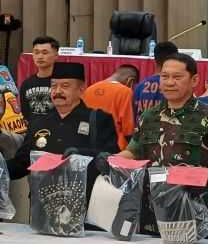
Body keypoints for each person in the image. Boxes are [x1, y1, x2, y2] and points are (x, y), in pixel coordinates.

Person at [117, 53, 208, 235]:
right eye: (164, 76)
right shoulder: (149, 116)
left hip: (193, 209)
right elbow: (133, 152)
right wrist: (109, 161)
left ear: (194, 80)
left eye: (177, 77)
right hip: (150, 211)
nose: (169, 82)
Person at [7, 62, 119, 205]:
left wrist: (79, 153)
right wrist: (2, 167)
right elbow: (22, 163)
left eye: (65, 86)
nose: (58, 91)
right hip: (43, 206)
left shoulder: (98, 119)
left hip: (85, 204)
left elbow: (111, 158)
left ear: (81, 89)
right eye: (53, 86)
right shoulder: (38, 121)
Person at [83, 65, 139, 151]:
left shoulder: (89, 89)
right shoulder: (125, 92)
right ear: (130, 81)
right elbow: (128, 126)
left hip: (87, 142)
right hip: (114, 145)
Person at [132, 41, 178, 122]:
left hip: (142, 132)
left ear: (155, 59)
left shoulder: (140, 86)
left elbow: (133, 115)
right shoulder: (175, 87)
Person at [19, 36, 60, 121]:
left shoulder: (63, 83)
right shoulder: (27, 84)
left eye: (45, 53)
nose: (40, 57)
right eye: (36, 52)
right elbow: (25, 114)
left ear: (56, 55)